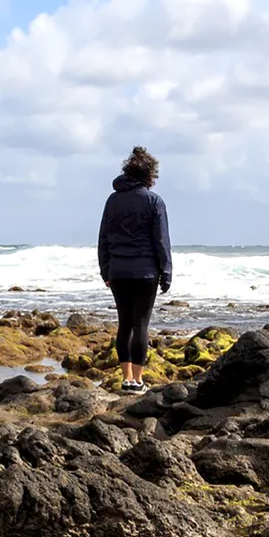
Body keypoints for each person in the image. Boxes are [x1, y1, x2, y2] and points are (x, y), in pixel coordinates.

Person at [97, 146, 172, 393]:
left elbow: (104, 238)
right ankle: (138, 381)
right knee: (141, 325)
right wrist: (166, 272)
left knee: (124, 324)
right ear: (149, 175)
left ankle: (126, 378)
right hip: (145, 273)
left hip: (118, 272)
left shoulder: (113, 200)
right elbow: (161, 241)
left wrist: (105, 270)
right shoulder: (154, 201)